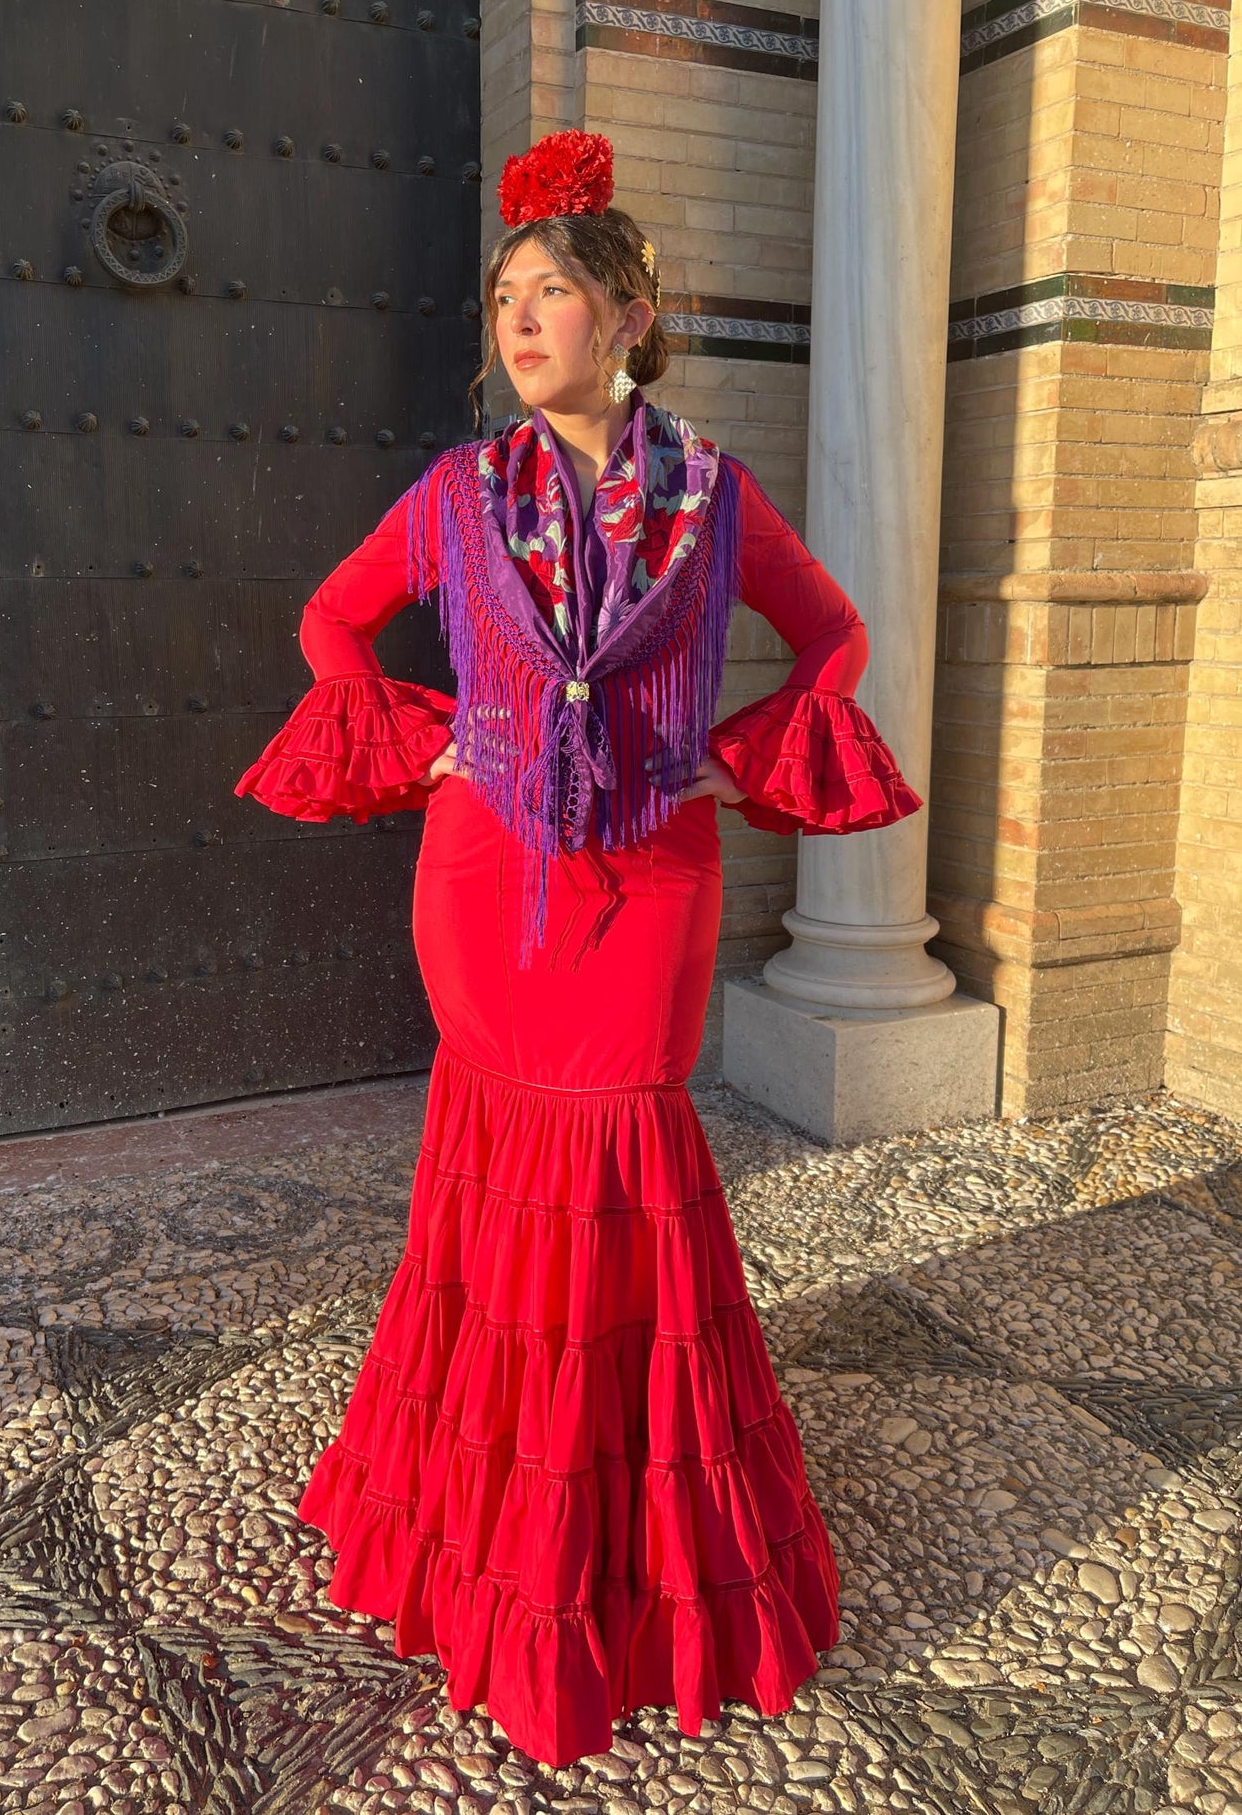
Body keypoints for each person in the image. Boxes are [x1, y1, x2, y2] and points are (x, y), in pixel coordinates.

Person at [234, 128, 923, 1767]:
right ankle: (480, 1525)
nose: (518, 317)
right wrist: (436, 743)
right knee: (499, 1156)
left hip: (650, 884)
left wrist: (740, 748)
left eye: (551, 290)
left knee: (625, 1152)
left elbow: (834, 634)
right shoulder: (455, 494)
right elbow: (329, 622)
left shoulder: (712, 497)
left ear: (627, 314)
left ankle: (632, 1554)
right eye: (501, 295)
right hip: (483, 881)